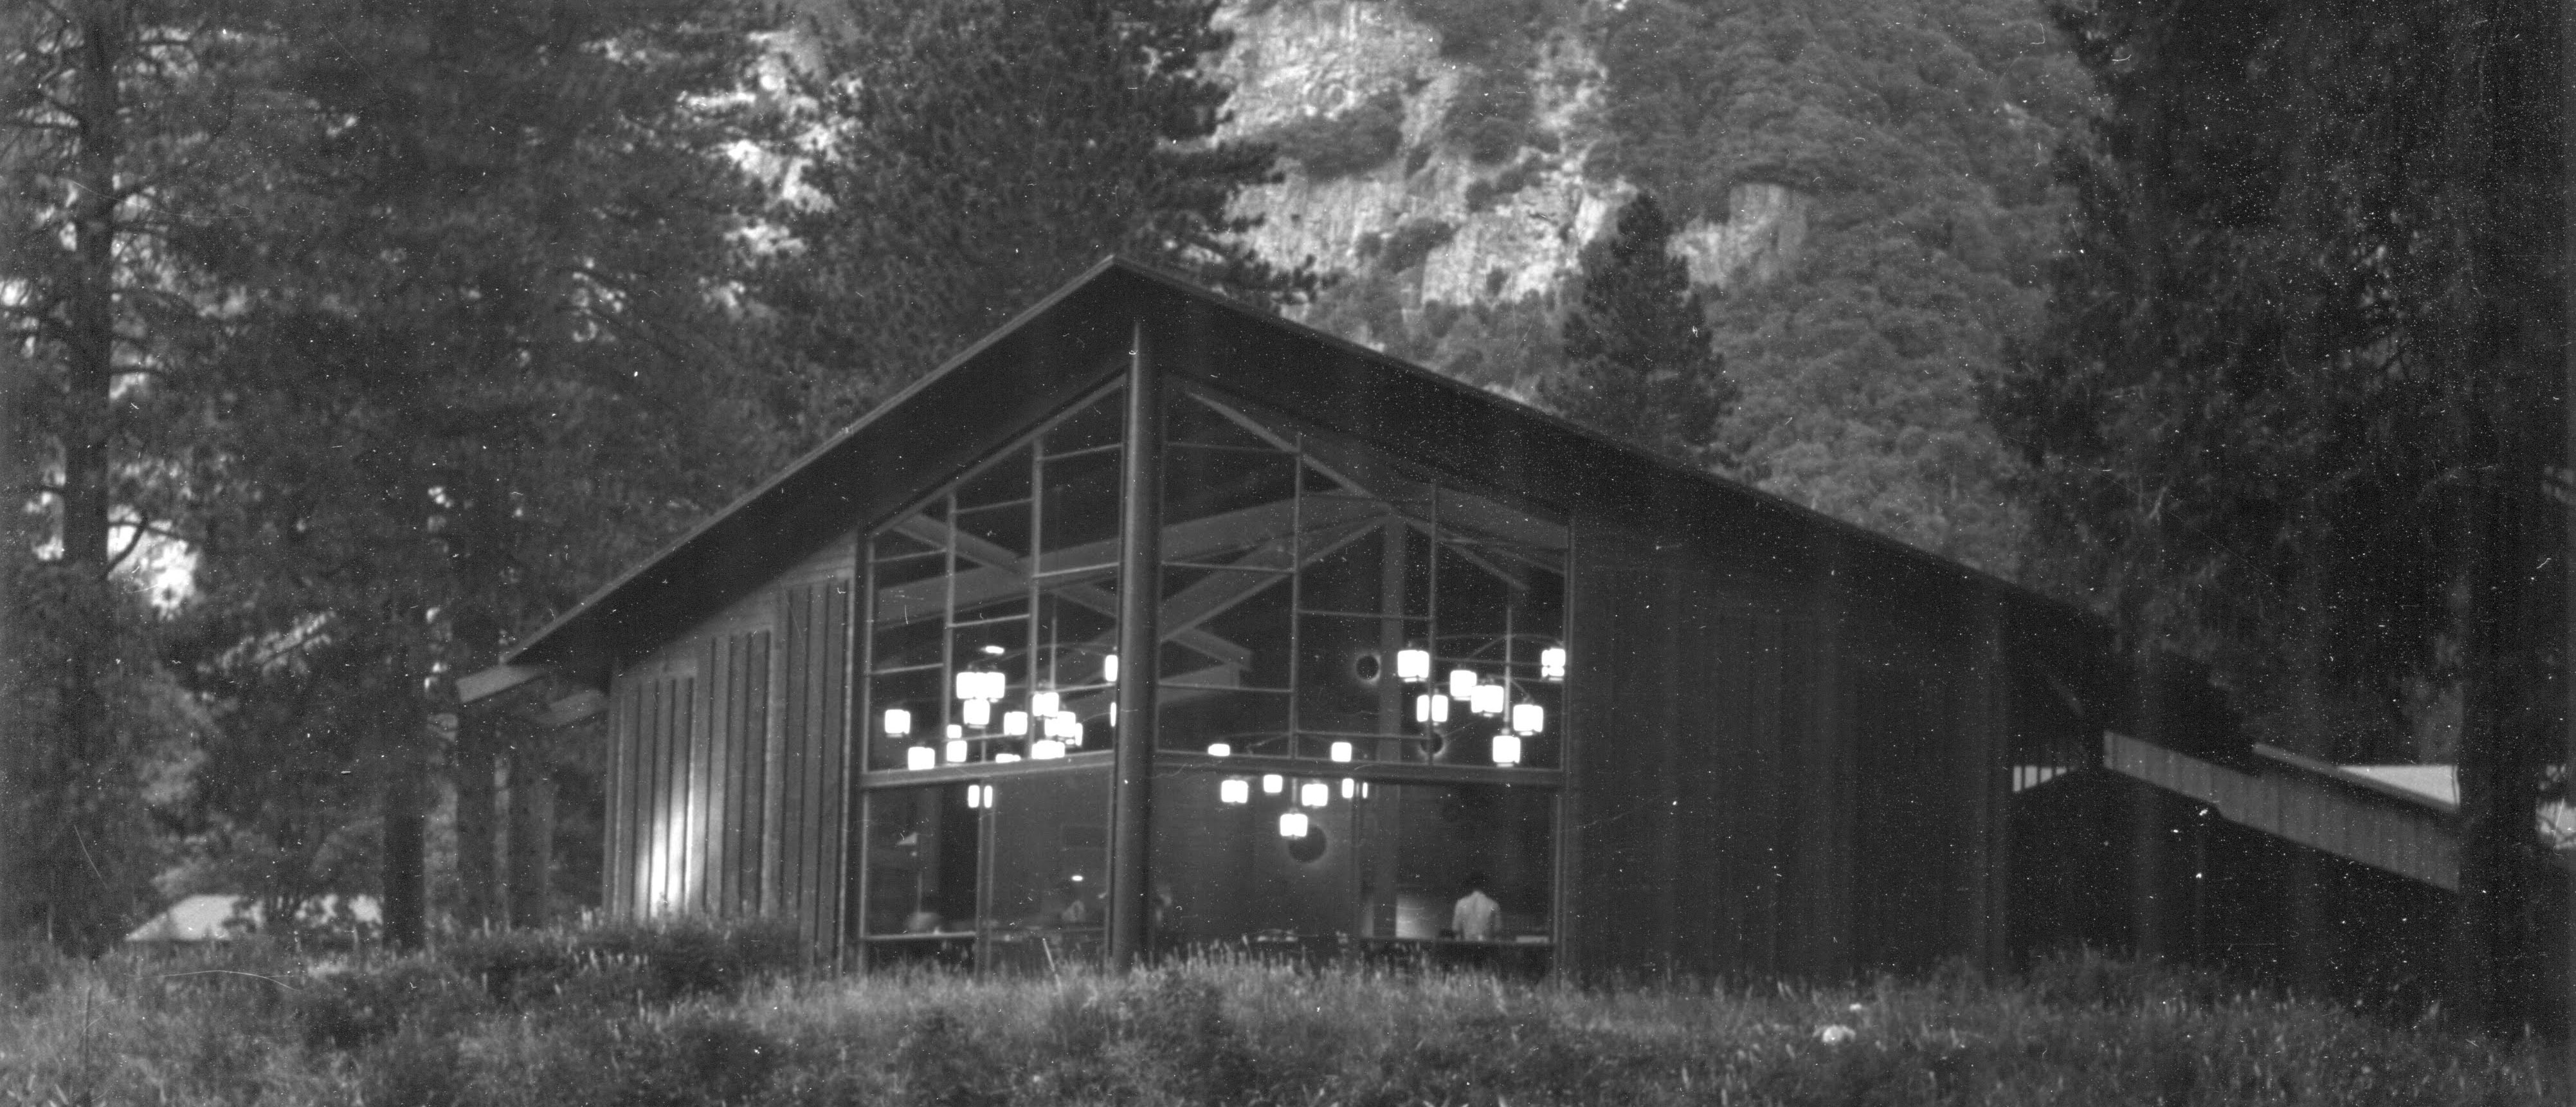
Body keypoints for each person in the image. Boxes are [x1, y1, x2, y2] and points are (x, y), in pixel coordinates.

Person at [1451, 872, 1500, 942]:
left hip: (1467, 948)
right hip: (1487, 948)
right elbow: (1497, 933)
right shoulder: (1493, 905)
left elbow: (1456, 932)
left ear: (1471, 885)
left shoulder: (1460, 904)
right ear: (1485, 885)